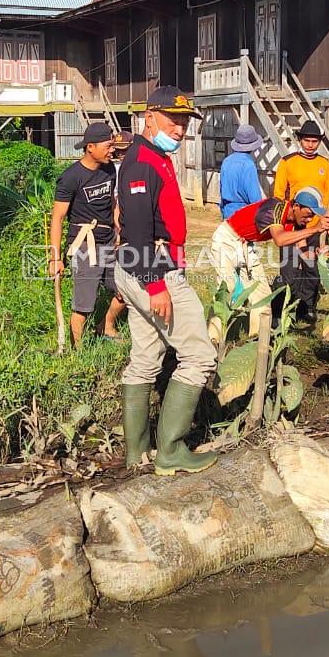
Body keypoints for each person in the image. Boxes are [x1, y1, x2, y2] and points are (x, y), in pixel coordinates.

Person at [115, 86, 215, 475]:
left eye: (186, 121)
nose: (181, 128)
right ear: (149, 116)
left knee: (145, 359)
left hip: (138, 269)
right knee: (199, 356)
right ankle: (171, 451)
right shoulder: (142, 163)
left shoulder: (153, 156)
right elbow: (138, 229)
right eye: (174, 119)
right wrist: (156, 285)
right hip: (152, 269)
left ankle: (135, 453)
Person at [207, 190, 329, 343]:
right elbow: (279, 240)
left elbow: (304, 253)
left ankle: (256, 339)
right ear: (296, 206)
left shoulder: (297, 221)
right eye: (308, 214)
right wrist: (315, 229)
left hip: (244, 244)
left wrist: (319, 254)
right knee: (228, 288)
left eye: (313, 216)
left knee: (263, 295)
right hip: (226, 239)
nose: (309, 219)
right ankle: (213, 339)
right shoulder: (274, 208)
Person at [49, 123, 126, 345]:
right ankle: (77, 349)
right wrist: (56, 258)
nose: (112, 150)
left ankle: (106, 327)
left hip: (109, 240)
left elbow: (112, 203)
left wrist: (119, 231)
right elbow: (58, 217)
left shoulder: (110, 169)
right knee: (84, 304)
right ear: (90, 147)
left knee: (126, 290)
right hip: (84, 244)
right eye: (108, 145)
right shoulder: (71, 177)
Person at [272, 121, 329, 326]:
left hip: (316, 225)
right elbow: (279, 196)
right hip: (292, 227)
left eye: (314, 141)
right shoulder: (287, 162)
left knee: (313, 268)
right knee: (288, 269)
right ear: (300, 140)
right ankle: (283, 309)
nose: (310, 145)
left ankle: (307, 307)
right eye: (306, 140)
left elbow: (328, 196)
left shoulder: (325, 164)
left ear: (319, 142)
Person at [219, 124, 264, 220]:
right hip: (244, 213)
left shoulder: (226, 161)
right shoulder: (248, 165)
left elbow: (221, 187)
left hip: (227, 210)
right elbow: (254, 197)